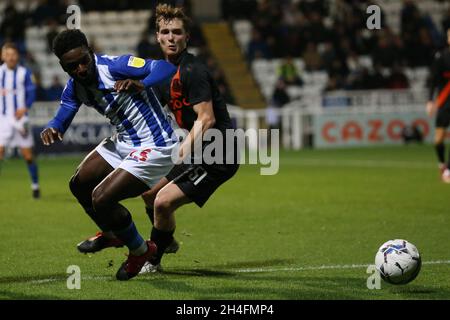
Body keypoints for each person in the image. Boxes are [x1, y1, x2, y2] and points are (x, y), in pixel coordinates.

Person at [40, 29, 178, 280]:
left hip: (157, 144)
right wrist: (54, 127)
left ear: (91, 53)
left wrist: (142, 83)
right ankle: (113, 234)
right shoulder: (75, 87)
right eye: (72, 66)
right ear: (63, 67)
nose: (81, 69)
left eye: (84, 60)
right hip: (126, 142)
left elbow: (165, 68)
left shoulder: (117, 66)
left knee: (101, 198)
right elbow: (66, 110)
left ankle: (141, 250)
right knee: (79, 185)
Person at [138, 3, 240, 273]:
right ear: (157, 36)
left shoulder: (193, 70)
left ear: (187, 37)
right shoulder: (160, 72)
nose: (171, 37)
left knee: (162, 201)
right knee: (148, 193)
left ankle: (153, 259)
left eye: (177, 32)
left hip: (218, 154)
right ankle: (166, 240)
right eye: (165, 32)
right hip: (196, 151)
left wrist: (180, 151)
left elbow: (206, 119)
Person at [0, 42, 40, 199]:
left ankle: (35, 186)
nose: (10, 57)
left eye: (13, 54)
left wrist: (25, 107)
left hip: (20, 118)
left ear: (17, 56)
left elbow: (31, 93)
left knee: (28, 156)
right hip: (2, 118)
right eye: (7, 54)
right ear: (3, 56)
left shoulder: (24, 73)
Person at [426, 28, 450, 183]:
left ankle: (448, 170)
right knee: (438, 139)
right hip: (445, 101)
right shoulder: (442, 57)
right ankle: (443, 165)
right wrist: (430, 101)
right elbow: (433, 80)